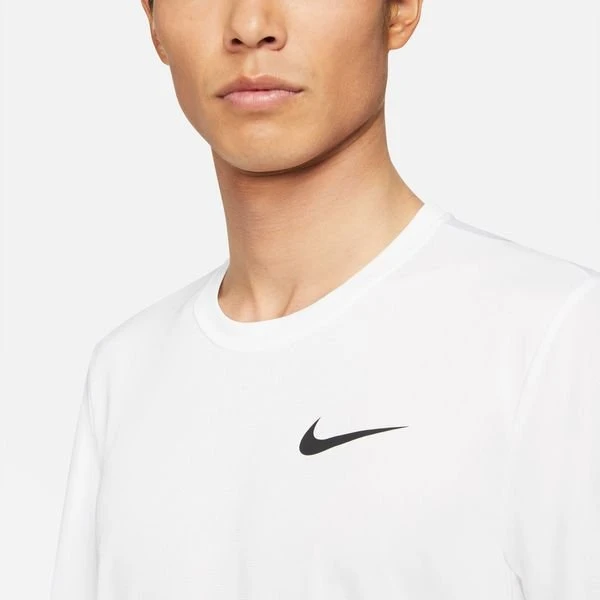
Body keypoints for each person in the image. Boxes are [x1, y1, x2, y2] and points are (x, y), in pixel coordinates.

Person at [50, 0, 600, 598]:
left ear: (399, 10)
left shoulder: (554, 334)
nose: (250, 27)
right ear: (153, 22)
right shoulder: (127, 371)